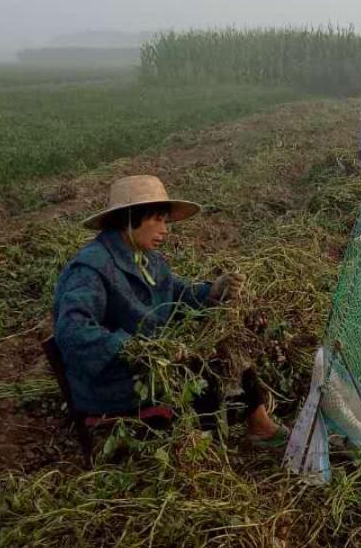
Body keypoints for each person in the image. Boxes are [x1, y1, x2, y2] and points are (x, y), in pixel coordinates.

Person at [53, 175, 287, 447]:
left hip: (148, 364)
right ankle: (207, 449)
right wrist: (138, 349)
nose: (165, 230)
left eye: (166, 220)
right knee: (198, 366)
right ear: (131, 218)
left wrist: (213, 292)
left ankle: (258, 424)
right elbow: (73, 330)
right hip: (114, 381)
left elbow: (177, 293)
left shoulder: (145, 259)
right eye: (158, 220)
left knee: (225, 346)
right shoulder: (91, 268)